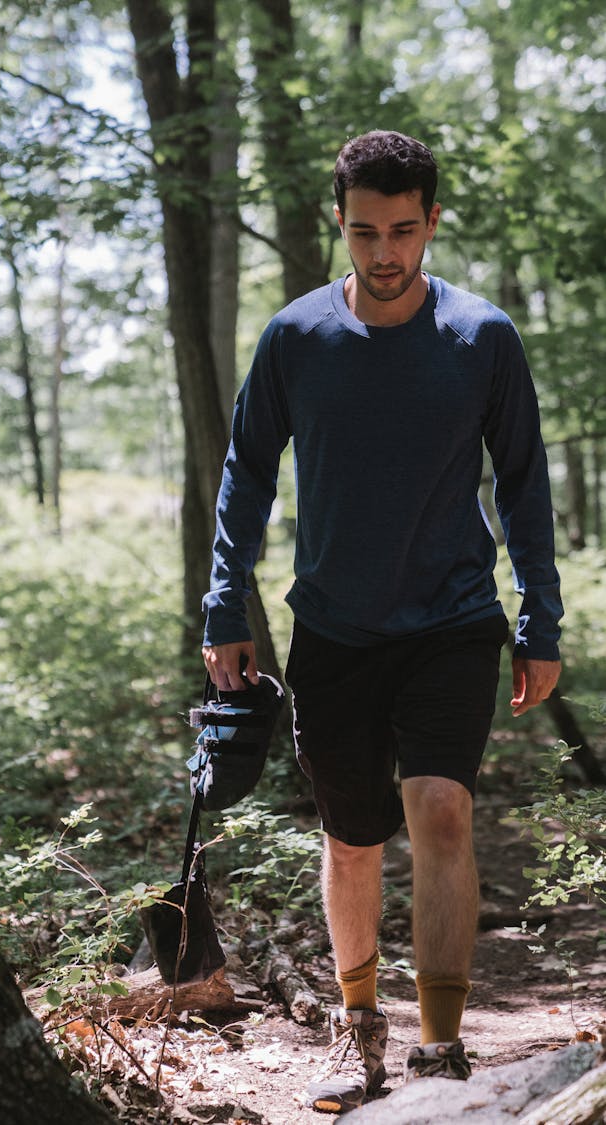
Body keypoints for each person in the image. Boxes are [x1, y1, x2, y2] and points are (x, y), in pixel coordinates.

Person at [201, 130, 563, 1113]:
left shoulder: (482, 337)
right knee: (352, 840)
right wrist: (223, 602)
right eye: (366, 232)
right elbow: (244, 477)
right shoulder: (295, 340)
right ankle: (358, 1032)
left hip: (453, 618)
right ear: (340, 223)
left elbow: (524, 486)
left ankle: (440, 1051)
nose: (385, 252)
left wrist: (541, 620)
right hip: (333, 628)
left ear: (433, 221)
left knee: (441, 808)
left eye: (404, 230)